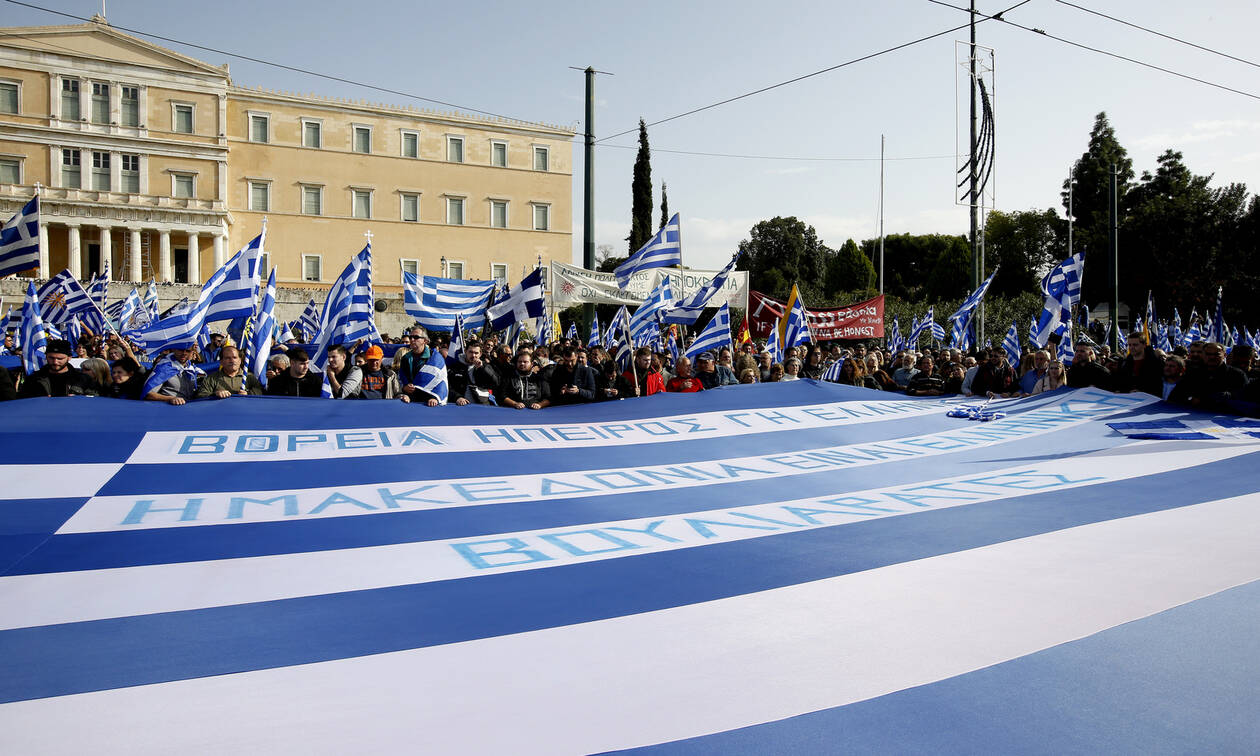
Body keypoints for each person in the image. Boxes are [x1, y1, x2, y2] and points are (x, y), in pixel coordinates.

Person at [1169, 341, 1248, 410]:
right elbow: (1176, 397)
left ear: (1224, 355)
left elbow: (1244, 400)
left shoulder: (1237, 375)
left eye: (1216, 354)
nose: (1212, 357)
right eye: (1208, 354)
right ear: (1203, 355)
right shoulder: (1193, 373)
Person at [18, 340, 100, 398]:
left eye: (60, 359)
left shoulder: (82, 379)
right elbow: (23, 401)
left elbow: (94, 399)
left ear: (69, 358)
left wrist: (79, 399)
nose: (55, 362)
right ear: (46, 356)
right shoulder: (34, 379)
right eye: (51, 358)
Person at [196, 345, 263, 399]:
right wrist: (215, 394)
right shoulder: (212, 378)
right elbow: (201, 394)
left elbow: (260, 391)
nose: (232, 361)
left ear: (240, 360)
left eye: (234, 357)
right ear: (221, 362)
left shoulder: (249, 377)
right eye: (228, 358)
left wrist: (248, 394)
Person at [1111, 332, 1166, 397]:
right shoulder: (1124, 363)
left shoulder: (1156, 364)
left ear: (1144, 345)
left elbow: (1159, 385)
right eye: (1130, 345)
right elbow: (1121, 382)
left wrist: (1142, 392)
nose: (1131, 347)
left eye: (1135, 345)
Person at [395, 327, 431, 402]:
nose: (412, 340)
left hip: (429, 400)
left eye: (416, 337)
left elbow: (440, 380)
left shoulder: (433, 357)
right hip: (411, 400)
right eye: (410, 337)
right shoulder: (405, 358)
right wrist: (405, 387)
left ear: (425, 340)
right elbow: (402, 377)